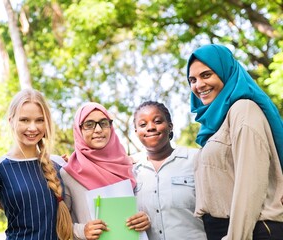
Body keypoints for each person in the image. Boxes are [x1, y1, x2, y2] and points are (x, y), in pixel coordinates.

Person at [187, 44, 283, 239]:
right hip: (227, 229)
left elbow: (250, 182)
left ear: (226, 72)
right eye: (193, 80)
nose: (198, 85)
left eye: (206, 75)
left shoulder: (243, 109)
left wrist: (236, 236)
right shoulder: (217, 124)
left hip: (251, 229)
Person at [0, 89, 73, 240]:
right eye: (25, 120)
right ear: (11, 121)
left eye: (39, 120)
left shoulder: (59, 163)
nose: (33, 128)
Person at [60, 102, 150, 240]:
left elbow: (146, 207)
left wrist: (145, 219)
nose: (98, 129)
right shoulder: (69, 173)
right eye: (89, 124)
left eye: (103, 122)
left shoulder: (129, 166)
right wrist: (82, 231)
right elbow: (60, 225)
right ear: (79, 130)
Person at [131, 100, 206, 239]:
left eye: (158, 121)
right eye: (143, 124)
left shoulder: (196, 159)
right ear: (136, 132)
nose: (151, 127)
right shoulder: (131, 170)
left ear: (170, 126)